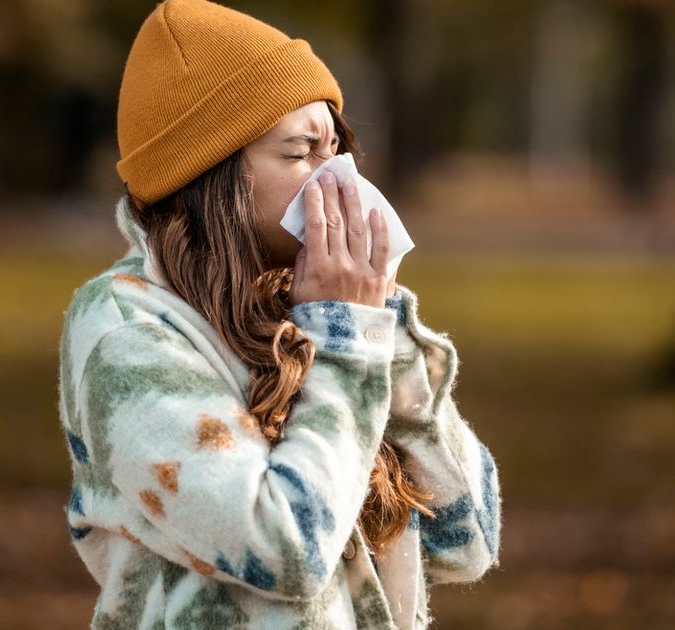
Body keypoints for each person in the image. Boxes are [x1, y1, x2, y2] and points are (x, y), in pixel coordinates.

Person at [56, 1, 502, 627]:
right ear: (208, 173)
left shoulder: (312, 312)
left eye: (337, 149)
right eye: (301, 153)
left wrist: (380, 329)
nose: (338, 180)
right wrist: (347, 340)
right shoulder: (126, 329)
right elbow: (286, 547)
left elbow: (467, 541)